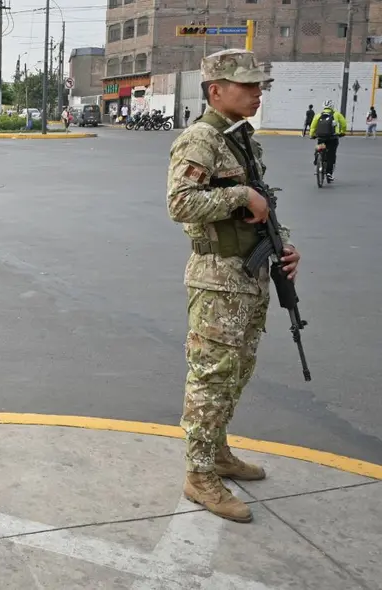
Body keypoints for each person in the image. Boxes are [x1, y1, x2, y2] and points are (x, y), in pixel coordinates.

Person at [166, 48, 301, 523]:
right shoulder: (200, 139)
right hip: (218, 278)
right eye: (247, 85)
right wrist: (238, 195)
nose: (257, 92)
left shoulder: (240, 138)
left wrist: (284, 246)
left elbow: (264, 203)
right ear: (215, 89)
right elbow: (180, 203)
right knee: (211, 377)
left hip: (249, 273)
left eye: (259, 85)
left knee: (236, 372)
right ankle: (199, 475)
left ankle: (217, 452)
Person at [309, 99, 346, 181]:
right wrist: (342, 132)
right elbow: (343, 123)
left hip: (321, 137)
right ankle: (329, 173)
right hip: (332, 137)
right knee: (331, 155)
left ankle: (317, 161)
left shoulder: (318, 115)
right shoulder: (336, 114)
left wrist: (312, 135)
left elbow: (313, 126)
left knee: (319, 148)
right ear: (332, 107)